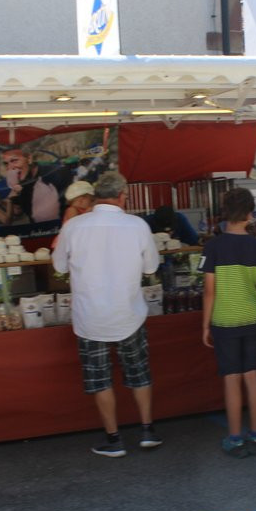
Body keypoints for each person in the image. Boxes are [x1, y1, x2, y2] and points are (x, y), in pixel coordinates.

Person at [52, 170, 163, 457]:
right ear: (123, 196)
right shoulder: (137, 225)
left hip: (91, 316)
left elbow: (60, 267)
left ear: (95, 196)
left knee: (100, 380)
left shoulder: (74, 227)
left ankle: (114, 440)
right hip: (129, 313)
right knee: (139, 374)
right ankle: (148, 431)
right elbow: (151, 268)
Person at [200, 188, 256, 458]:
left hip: (224, 319)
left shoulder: (213, 246)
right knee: (253, 376)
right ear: (250, 213)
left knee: (231, 378)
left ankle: (235, 437)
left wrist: (205, 325)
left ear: (225, 212)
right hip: (252, 317)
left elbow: (209, 290)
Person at [3, 149, 71, 224]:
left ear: (29, 159)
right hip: (39, 231)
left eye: (14, 160)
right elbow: (17, 212)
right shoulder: (21, 183)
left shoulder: (56, 173)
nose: (10, 168)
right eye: (6, 164)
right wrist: (12, 195)